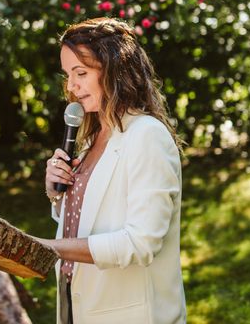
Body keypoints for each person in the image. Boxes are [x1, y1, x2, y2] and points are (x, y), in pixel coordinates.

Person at [40, 17, 186, 323]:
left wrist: (50, 248)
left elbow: (141, 242)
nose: (71, 86)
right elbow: (89, 215)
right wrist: (56, 194)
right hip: (75, 301)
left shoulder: (146, 135)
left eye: (81, 73)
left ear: (115, 70)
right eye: (68, 75)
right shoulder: (91, 137)